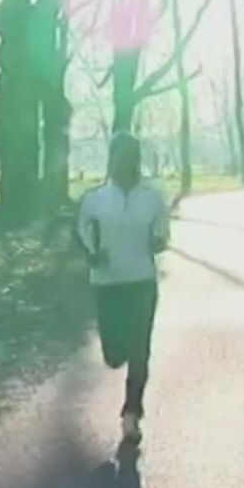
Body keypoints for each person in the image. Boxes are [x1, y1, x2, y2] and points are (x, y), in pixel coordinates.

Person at [75, 131, 169, 442]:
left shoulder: (152, 196)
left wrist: (158, 241)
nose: (128, 163)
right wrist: (92, 254)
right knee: (115, 355)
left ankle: (132, 414)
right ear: (111, 160)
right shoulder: (95, 198)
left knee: (140, 349)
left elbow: (162, 232)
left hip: (141, 281)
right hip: (107, 283)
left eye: (133, 157)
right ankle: (119, 354)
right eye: (121, 156)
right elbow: (81, 231)